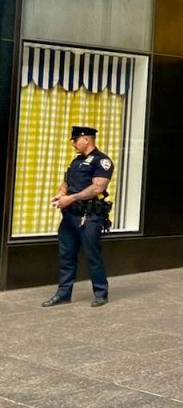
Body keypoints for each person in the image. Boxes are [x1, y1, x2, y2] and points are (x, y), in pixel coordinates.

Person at [41, 126, 114, 308]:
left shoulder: (101, 161)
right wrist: (60, 194)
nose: (73, 143)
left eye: (75, 140)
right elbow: (66, 182)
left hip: (88, 216)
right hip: (70, 216)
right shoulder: (76, 161)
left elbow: (97, 187)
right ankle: (63, 294)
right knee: (66, 255)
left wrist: (70, 198)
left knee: (92, 255)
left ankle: (100, 293)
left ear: (86, 140)